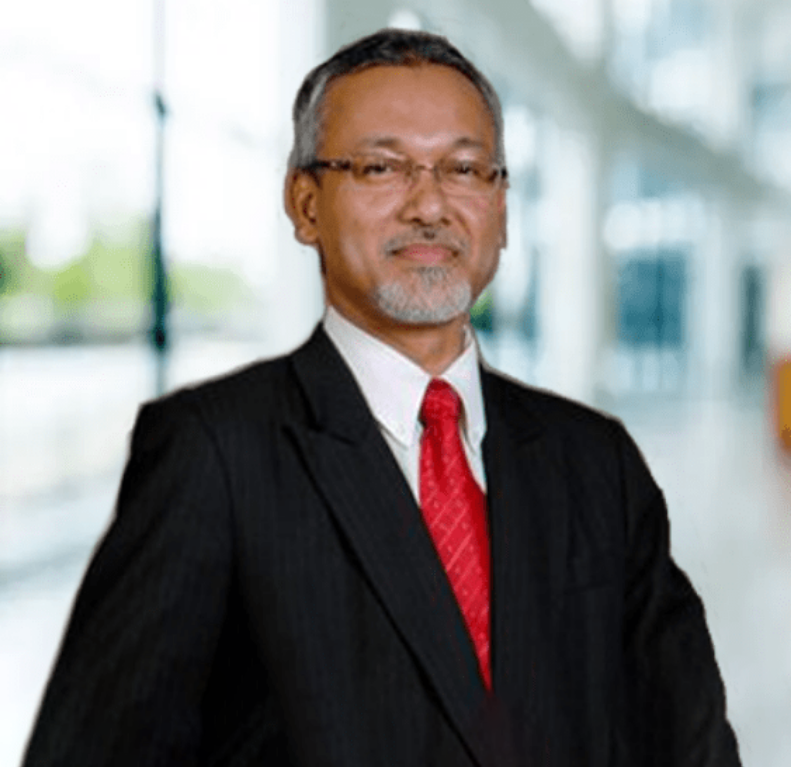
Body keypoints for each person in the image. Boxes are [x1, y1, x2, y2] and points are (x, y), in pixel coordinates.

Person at [23, 28, 741, 767]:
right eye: (381, 166)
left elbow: (688, 743)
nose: (429, 205)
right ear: (304, 203)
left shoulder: (596, 459)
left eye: (464, 168)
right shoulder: (214, 452)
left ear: (500, 204)